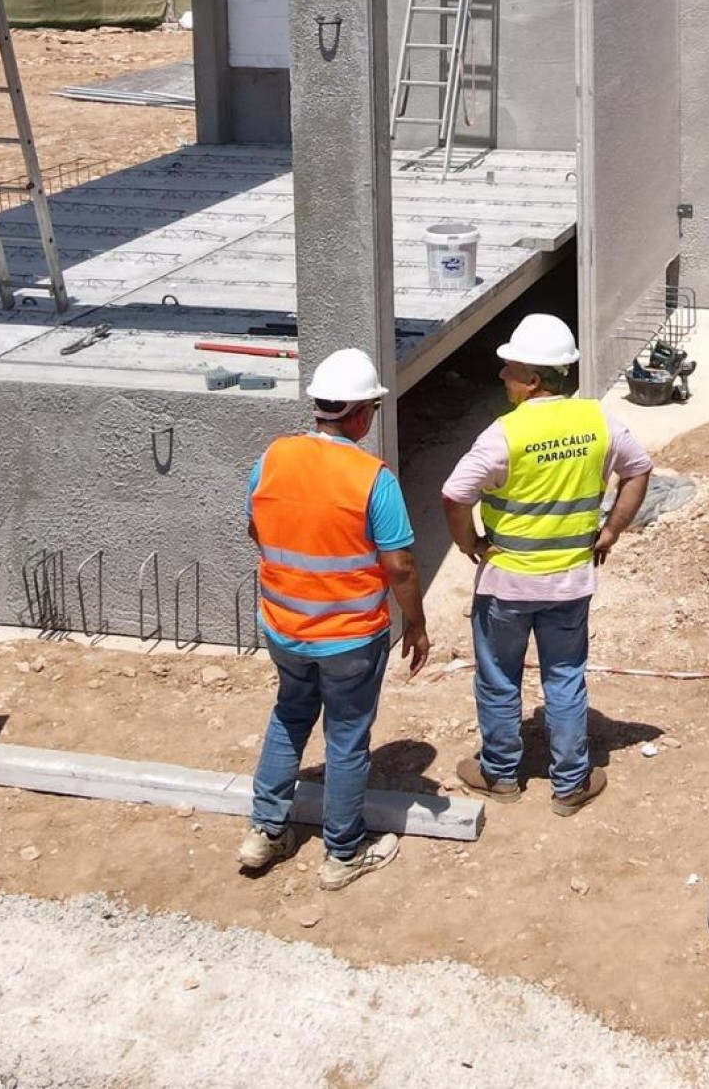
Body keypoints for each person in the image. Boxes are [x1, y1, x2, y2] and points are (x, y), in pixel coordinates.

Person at [441, 313, 652, 815]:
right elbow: (639, 468)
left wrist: (468, 541)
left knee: (498, 677)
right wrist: (612, 530)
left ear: (533, 380)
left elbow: (453, 493)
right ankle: (571, 782)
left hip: (506, 586)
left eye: (509, 368)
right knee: (564, 676)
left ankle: (499, 773)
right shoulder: (598, 420)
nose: (501, 376)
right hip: (569, 584)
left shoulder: (504, 434)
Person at [241, 346, 430, 889]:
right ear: (361, 414)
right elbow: (399, 564)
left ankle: (265, 831)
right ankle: (343, 853)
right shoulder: (371, 477)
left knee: (289, 717)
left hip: (285, 626)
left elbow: (255, 526)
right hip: (350, 637)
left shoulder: (273, 457)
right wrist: (414, 625)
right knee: (346, 737)